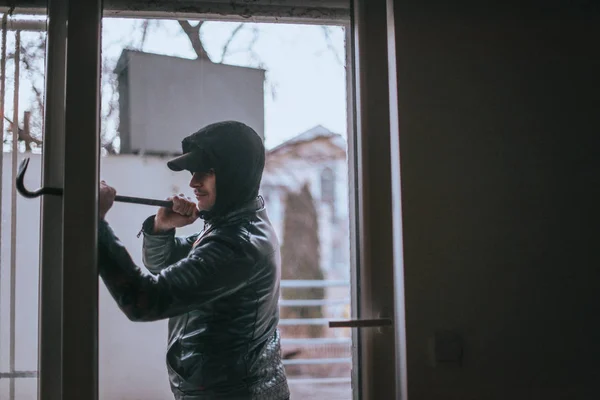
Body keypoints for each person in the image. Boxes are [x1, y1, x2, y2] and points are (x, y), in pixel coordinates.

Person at [97, 120, 290, 400]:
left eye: (206, 172)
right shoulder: (235, 225)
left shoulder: (237, 245)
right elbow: (163, 264)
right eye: (193, 171)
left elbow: (144, 301)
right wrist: (162, 228)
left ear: (234, 175)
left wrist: (96, 225)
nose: (193, 182)